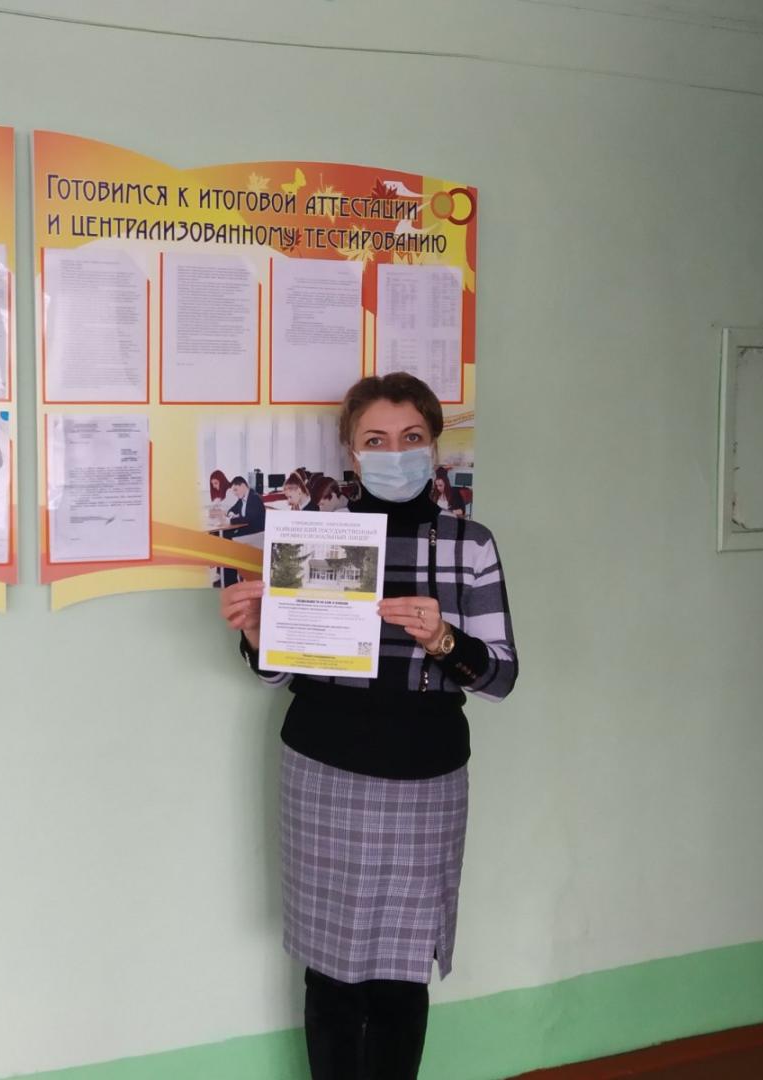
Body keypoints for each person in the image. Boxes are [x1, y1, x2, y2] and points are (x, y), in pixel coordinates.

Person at [218, 373, 518, 1080]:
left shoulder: (469, 544)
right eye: (375, 440)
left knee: (400, 976)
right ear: (351, 453)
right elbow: (278, 674)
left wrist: (444, 640)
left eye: (411, 437)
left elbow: (501, 677)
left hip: (427, 780)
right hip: (323, 773)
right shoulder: (317, 538)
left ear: (435, 445)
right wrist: (259, 635)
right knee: (330, 975)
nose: (395, 453)